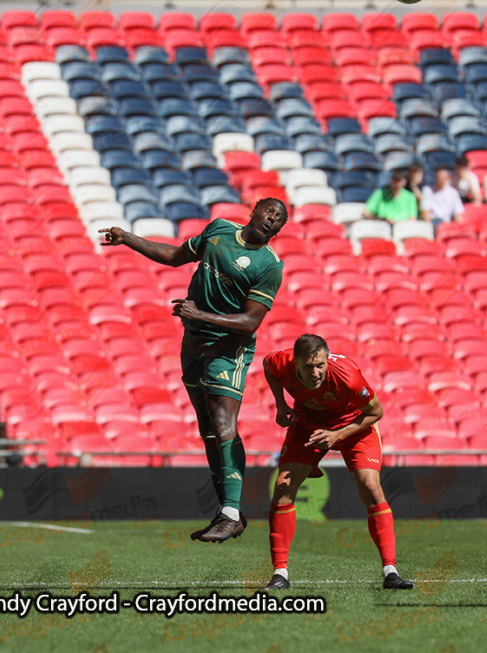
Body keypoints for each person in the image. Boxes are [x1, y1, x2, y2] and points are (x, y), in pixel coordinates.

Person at [99, 198, 288, 543]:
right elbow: (174, 256)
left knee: (223, 422)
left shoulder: (269, 266)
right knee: (209, 431)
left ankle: (231, 513)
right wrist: (128, 238)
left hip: (229, 349)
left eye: (279, 221)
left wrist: (197, 314)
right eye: (270, 213)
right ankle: (227, 513)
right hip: (194, 343)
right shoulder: (218, 229)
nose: (273, 220)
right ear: (254, 212)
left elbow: (249, 322)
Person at [260, 334, 414, 591]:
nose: (316, 372)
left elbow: (376, 412)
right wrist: (280, 403)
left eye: (320, 365)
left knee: (371, 487)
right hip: (308, 423)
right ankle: (280, 575)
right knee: (283, 487)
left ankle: (391, 572)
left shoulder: (347, 376)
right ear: (295, 363)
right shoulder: (281, 362)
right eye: (308, 367)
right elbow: (267, 365)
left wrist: (338, 435)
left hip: (354, 425)